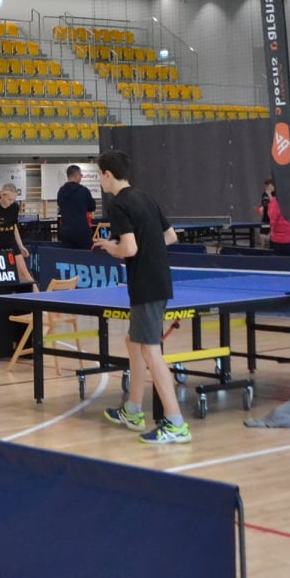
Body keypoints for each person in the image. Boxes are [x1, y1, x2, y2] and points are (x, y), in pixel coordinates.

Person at [94, 150, 188, 444]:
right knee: (133, 342)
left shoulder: (119, 205)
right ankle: (133, 410)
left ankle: (175, 423)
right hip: (157, 280)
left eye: (99, 175)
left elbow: (129, 249)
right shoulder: (145, 197)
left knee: (150, 350)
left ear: (108, 175)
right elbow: (170, 236)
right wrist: (145, 247)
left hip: (146, 285)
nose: (100, 180)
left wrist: (110, 247)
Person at [0, 183, 33, 283]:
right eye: (9, 199)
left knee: (25, 274)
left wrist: (20, 246)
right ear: (2, 195)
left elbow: (14, 227)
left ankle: (37, 293)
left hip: (11, 243)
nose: (11, 202)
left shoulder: (14, 207)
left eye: (13, 200)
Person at [56, 164, 97, 251]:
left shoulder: (61, 191)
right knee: (85, 256)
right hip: (81, 231)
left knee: (67, 257)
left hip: (66, 232)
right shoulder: (83, 190)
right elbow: (92, 207)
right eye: (81, 175)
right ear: (77, 175)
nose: (81, 177)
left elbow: (60, 205)